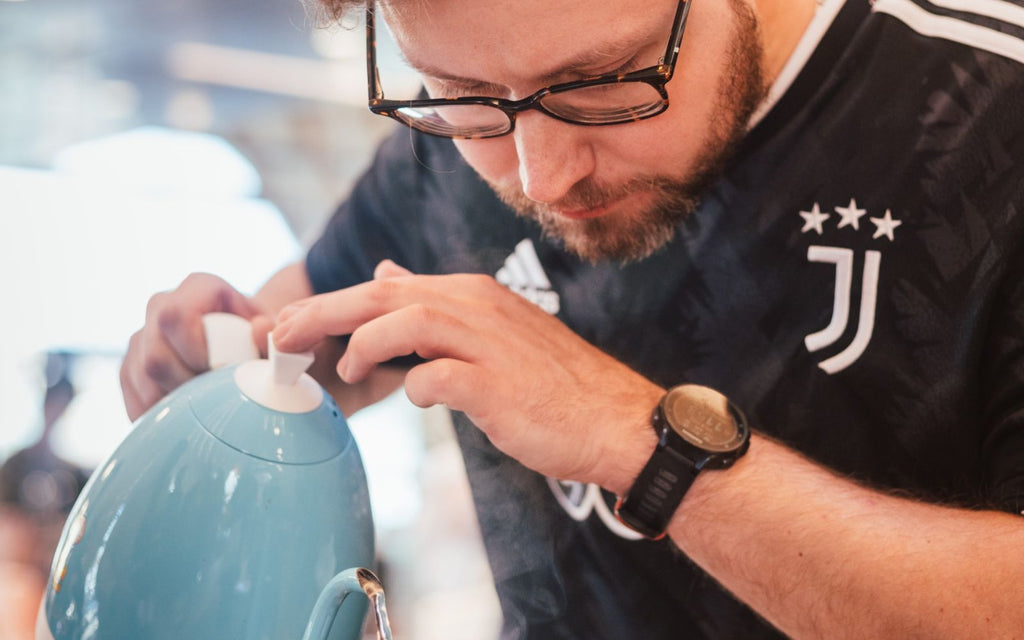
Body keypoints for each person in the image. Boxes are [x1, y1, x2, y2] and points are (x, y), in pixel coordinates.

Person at [119, 0, 1024, 637]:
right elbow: (318, 347)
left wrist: (634, 439)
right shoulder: (446, 153)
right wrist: (223, 368)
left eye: (600, 82)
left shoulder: (989, 120)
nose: (542, 178)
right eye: (463, 94)